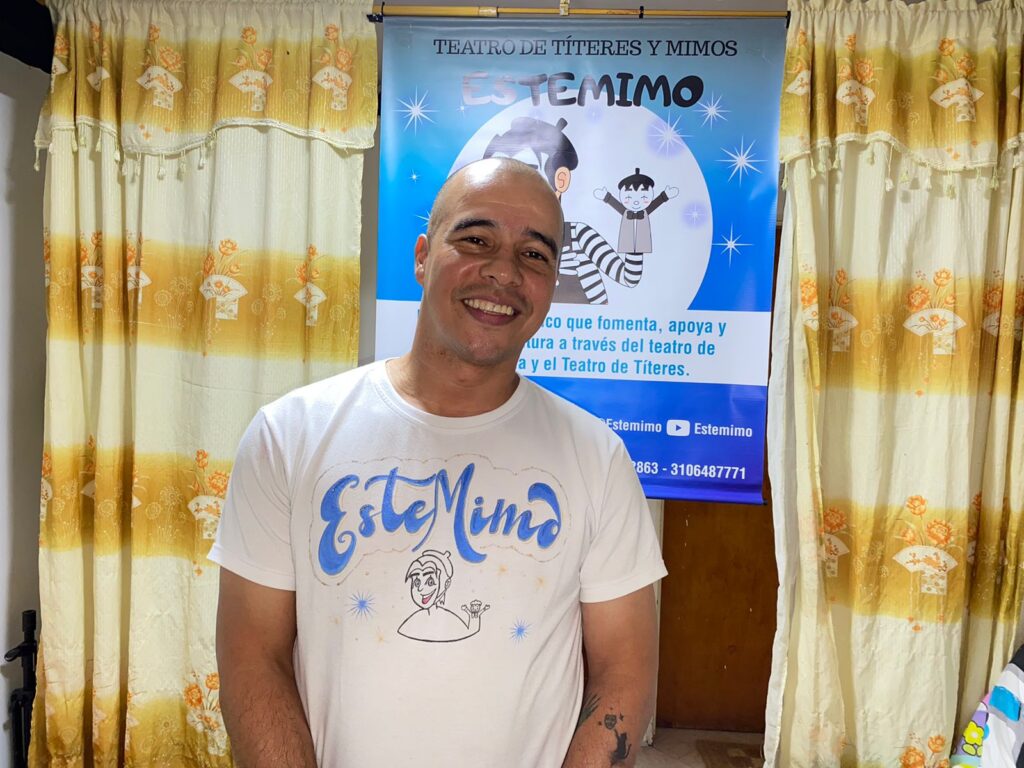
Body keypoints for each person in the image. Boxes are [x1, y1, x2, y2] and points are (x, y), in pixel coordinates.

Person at [210, 157, 667, 768]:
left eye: (534, 255)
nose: (504, 271)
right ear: (423, 257)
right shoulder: (287, 436)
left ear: (552, 284)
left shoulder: (598, 457)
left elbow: (623, 672)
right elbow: (253, 657)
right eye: (476, 240)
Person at [483, 116, 642, 305]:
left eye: (525, 175)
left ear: (561, 179)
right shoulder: (480, 242)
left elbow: (628, 277)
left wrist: (635, 229)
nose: (506, 190)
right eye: (493, 177)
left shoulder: (578, 236)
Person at [594, 167, 679, 256]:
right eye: (629, 197)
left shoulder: (644, 212)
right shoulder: (626, 212)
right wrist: (606, 197)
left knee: (640, 251)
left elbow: (655, 204)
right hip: (627, 241)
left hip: (642, 241)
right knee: (629, 251)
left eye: (643, 197)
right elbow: (616, 204)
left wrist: (665, 195)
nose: (636, 202)